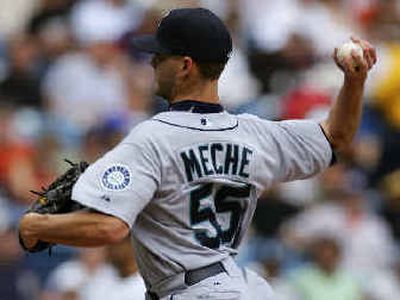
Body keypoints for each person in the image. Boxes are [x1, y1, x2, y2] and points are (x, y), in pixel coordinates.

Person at [19, 7, 377, 300]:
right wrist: (355, 81)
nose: (152, 63)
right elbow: (337, 135)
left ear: (185, 65)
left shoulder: (152, 137)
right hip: (235, 287)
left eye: (160, 56)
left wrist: (35, 226)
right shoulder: (255, 134)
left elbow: (109, 227)